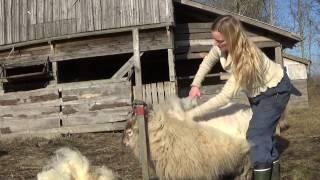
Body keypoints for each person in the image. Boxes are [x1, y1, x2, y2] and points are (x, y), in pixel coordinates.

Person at [187, 15, 292, 180]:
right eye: (214, 40)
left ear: (232, 38)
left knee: (256, 136)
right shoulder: (221, 46)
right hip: (257, 93)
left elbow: (224, 97)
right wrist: (195, 85)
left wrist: (193, 114)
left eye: (220, 41)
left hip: (275, 91)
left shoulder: (245, 58)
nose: (216, 44)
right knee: (266, 136)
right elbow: (207, 62)